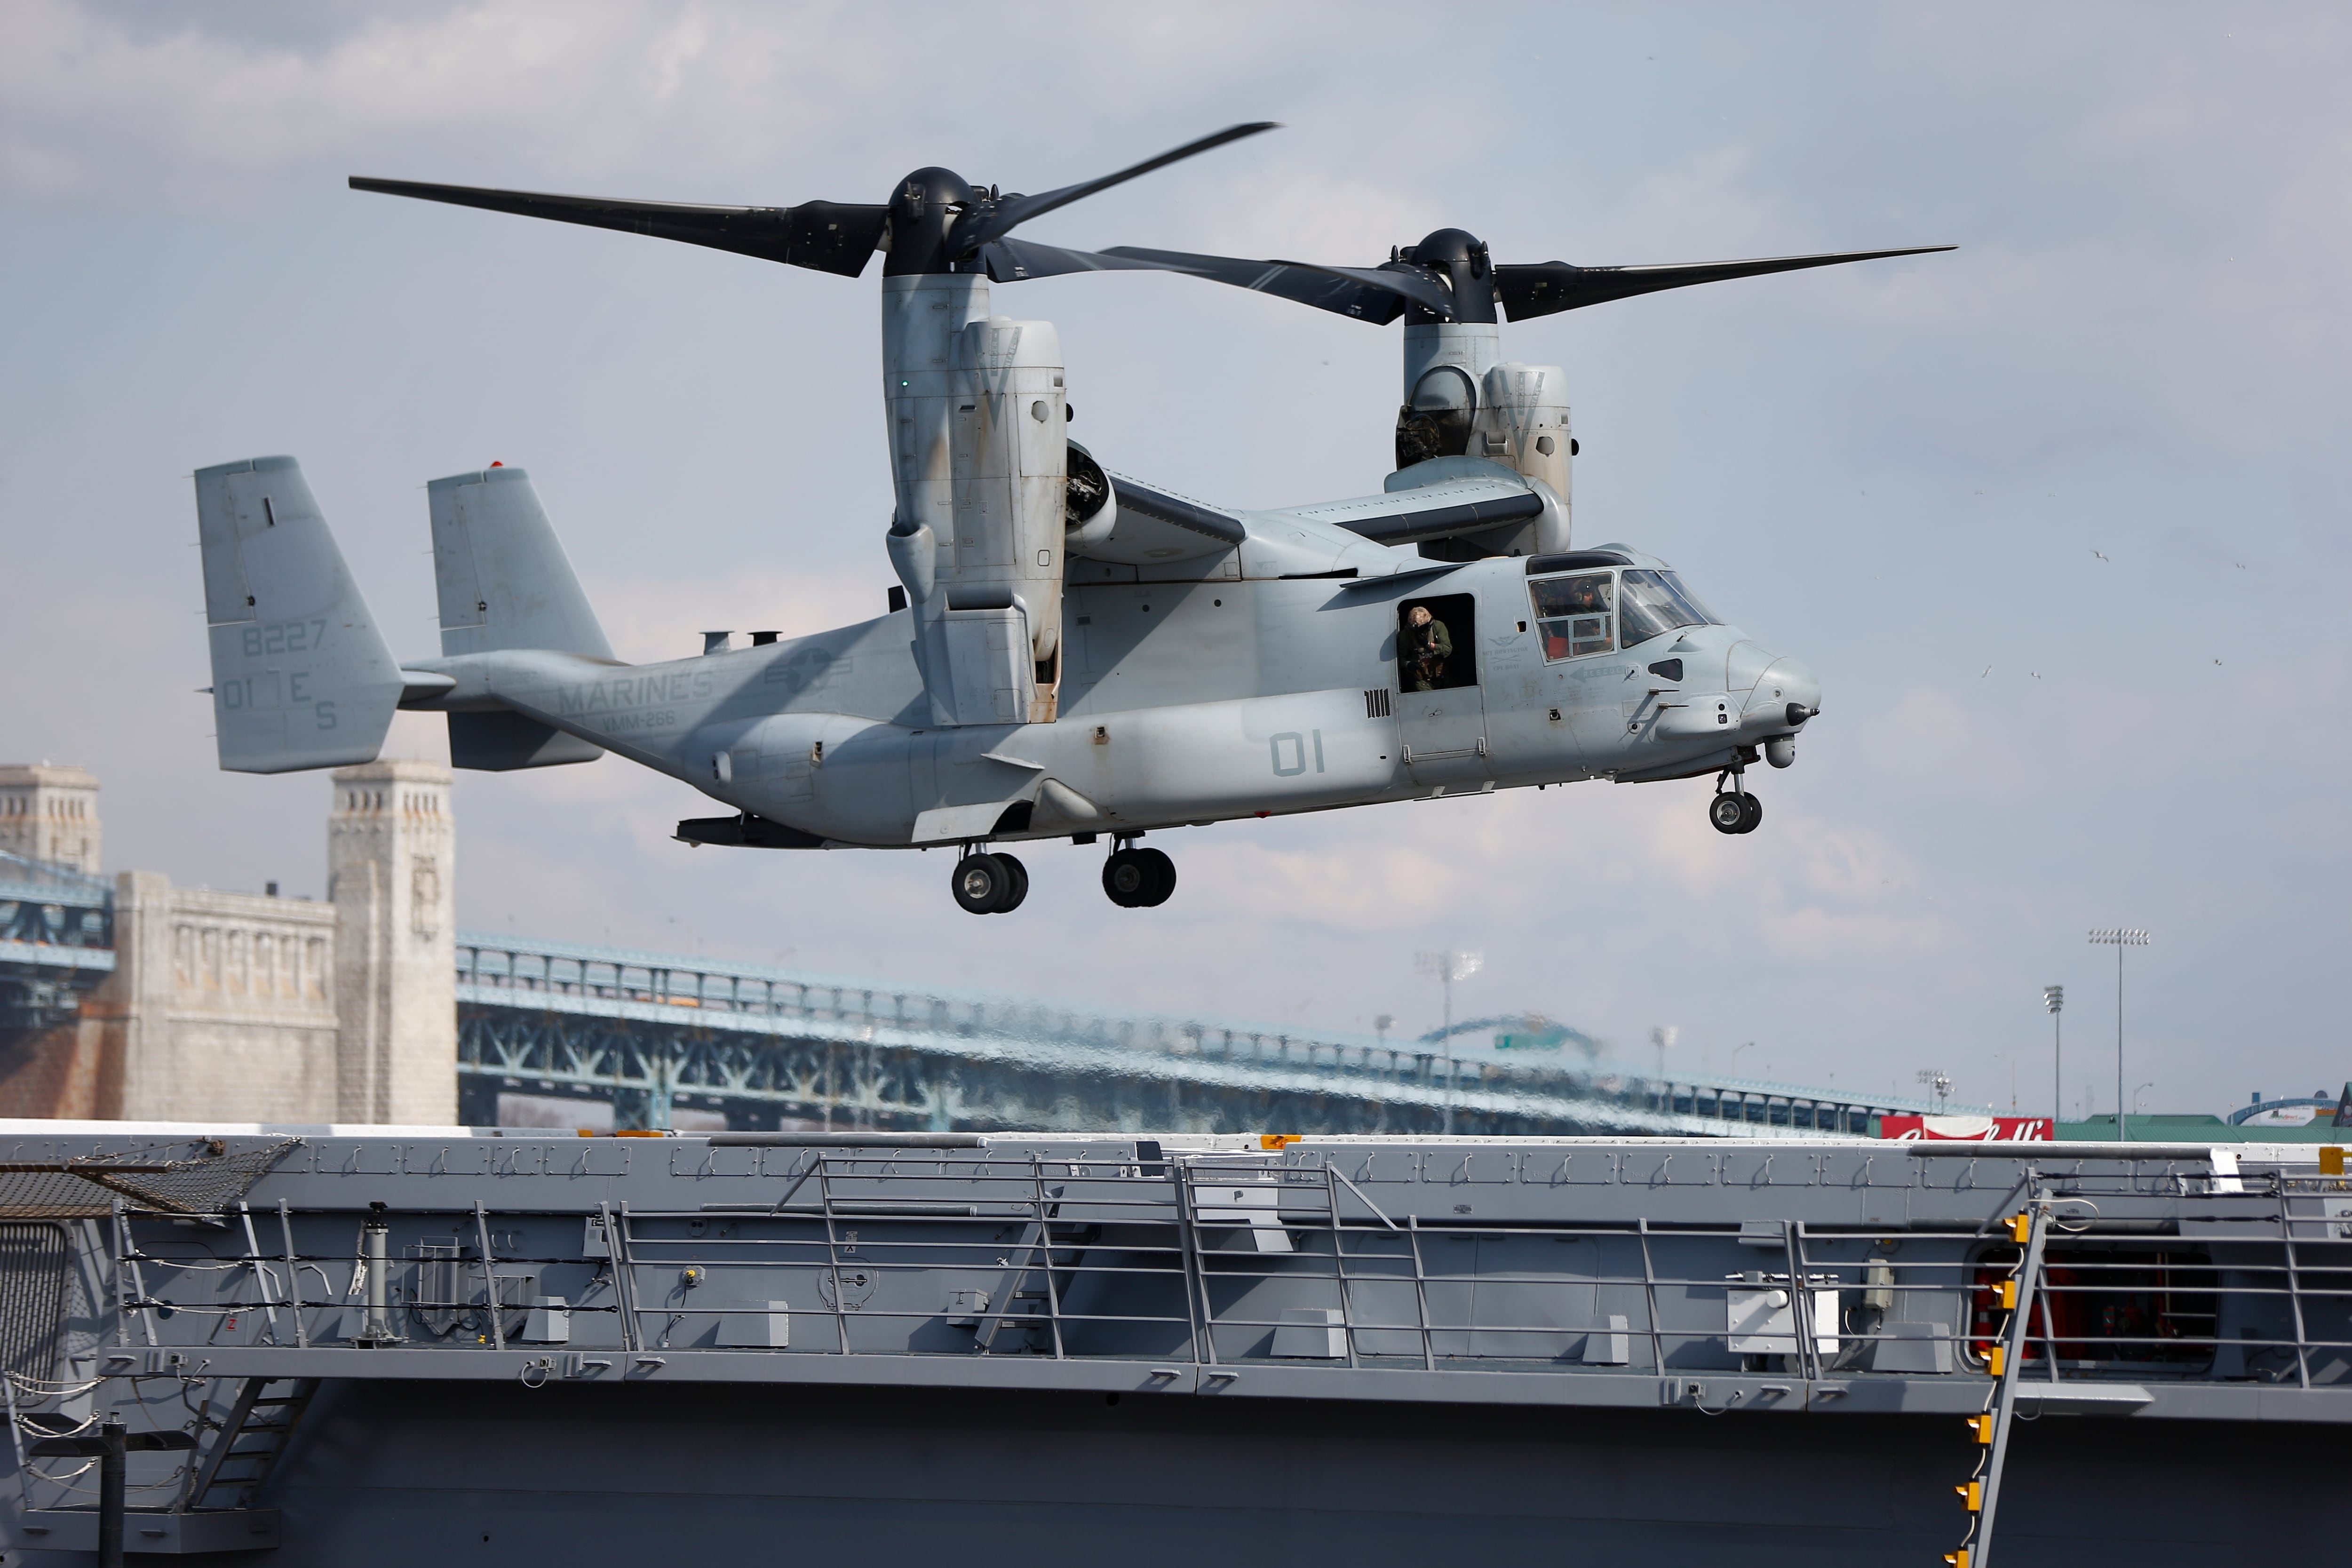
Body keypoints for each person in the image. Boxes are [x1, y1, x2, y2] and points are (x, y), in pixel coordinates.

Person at [1401, 604, 1453, 691]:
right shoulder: (1405, 635)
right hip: (1422, 681)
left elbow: (1448, 650)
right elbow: (1400, 658)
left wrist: (1429, 645)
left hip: (1441, 675)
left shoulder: (1438, 627)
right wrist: (1408, 664)